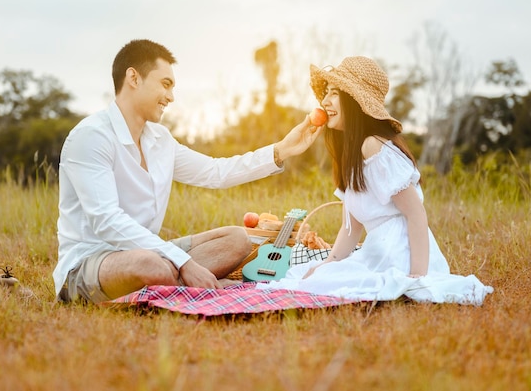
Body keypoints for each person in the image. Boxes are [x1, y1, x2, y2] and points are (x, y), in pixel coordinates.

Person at [53, 39, 322, 304]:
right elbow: (106, 221)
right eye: (165, 84)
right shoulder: (91, 137)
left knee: (237, 239)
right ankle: (182, 282)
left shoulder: (160, 140)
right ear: (133, 78)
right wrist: (183, 262)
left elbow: (216, 172)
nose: (171, 97)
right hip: (89, 264)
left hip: (150, 253)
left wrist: (281, 150)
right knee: (151, 265)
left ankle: (171, 284)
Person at [258, 56, 493, 305]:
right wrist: (327, 266)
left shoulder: (374, 146)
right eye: (326, 93)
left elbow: (416, 215)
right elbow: (351, 228)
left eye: (334, 93)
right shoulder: (352, 155)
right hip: (378, 251)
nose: (325, 101)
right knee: (312, 277)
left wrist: (418, 277)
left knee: (336, 284)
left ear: (356, 102)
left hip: (401, 253)